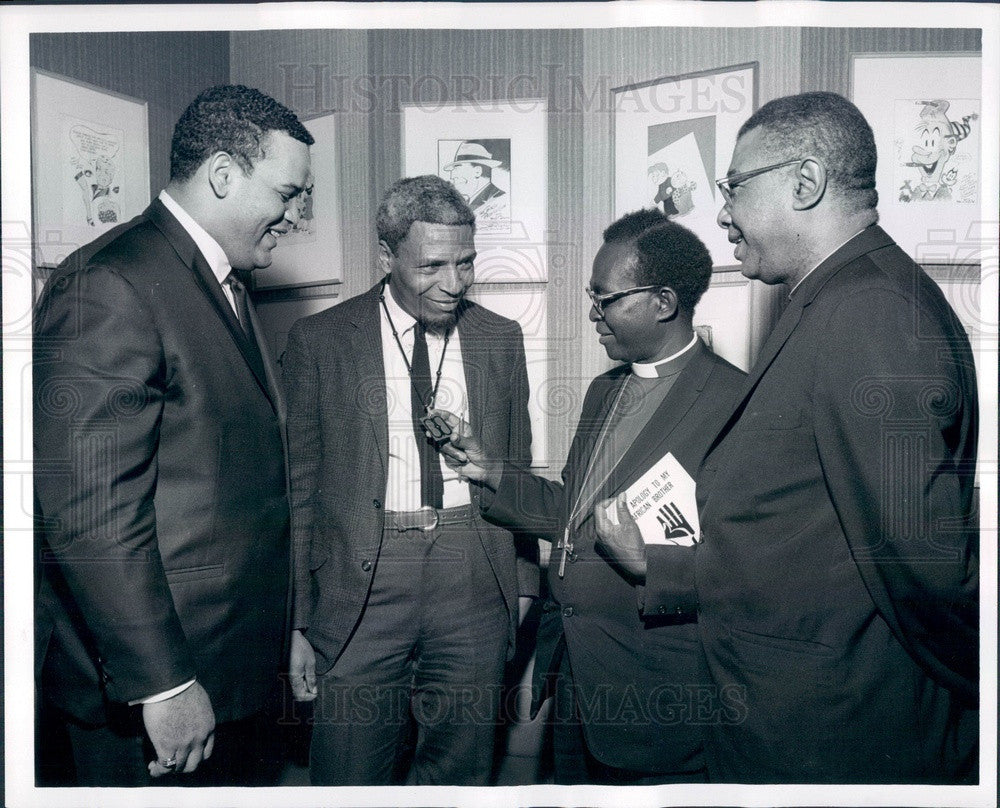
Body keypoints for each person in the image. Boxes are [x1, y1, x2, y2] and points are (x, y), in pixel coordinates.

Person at [596, 91, 979, 783]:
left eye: (735, 187)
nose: (721, 213)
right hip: (798, 718)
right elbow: (807, 539)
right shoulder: (840, 299)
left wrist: (971, 705)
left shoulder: (869, 314)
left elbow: (924, 568)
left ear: (804, 183)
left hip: (835, 734)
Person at [34, 85, 313, 786]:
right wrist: (163, 684)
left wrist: (287, 634)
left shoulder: (221, 283)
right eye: (286, 192)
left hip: (232, 670)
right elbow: (92, 511)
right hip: (161, 692)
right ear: (223, 174)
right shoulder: (109, 283)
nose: (293, 216)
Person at [437, 210, 745, 784]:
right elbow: (574, 516)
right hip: (576, 680)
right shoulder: (606, 390)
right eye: (590, 295)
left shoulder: (737, 402)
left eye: (606, 299)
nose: (592, 313)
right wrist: (490, 472)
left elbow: (753, 569)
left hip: (657, 696)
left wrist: (651, 564)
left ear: (663, 301)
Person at [282, 174, 535, 785]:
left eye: (466, 263)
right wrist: (297, 619)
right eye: (433, 266)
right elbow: (301, 489)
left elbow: (517, 467)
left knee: (461, 772)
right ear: (386, 257)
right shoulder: (320, 340)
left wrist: (523, 583)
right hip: (360, 578)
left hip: (471, 568)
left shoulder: (500, 338)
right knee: (347, 772)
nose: (454, 284)